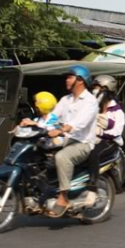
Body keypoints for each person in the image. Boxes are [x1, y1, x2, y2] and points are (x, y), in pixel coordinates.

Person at [48, 65, 99, 217]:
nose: (67, 80)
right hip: (66, 139)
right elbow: (53, 116)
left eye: (70, 77)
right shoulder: (66, 99)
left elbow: (80, 123)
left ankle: (63, 197)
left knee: (62, 157)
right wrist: (35, 123)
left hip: (83, 143)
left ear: (80, 80)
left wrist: (62, 129)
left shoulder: (90, 102)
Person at [88, 75, 125, 180]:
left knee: (93, 152)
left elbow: (117, 132)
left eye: (97, 88)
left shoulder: (117, 111)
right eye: (94, 88)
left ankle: (93, 183)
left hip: (110, 142)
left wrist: (100, 132)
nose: (95, 91)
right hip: (93, 139)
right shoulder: (94, 107)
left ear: (106, 90)